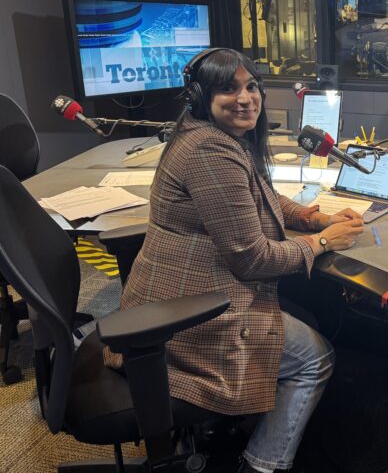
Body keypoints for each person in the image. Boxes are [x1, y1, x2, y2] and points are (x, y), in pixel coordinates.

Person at [104, 48, 364, 473]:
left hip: (175, 298)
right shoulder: (210, 151)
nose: (245, 98)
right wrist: (320, 241)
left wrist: (312, 217)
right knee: (315, 358)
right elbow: (252, 259)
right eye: (228, 89)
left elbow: (260, 194)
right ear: (200, 96)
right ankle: (260, 465)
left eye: (251, 87)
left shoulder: (212, 137)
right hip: (187, 316)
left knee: (304, 319)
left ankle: (238, 420)